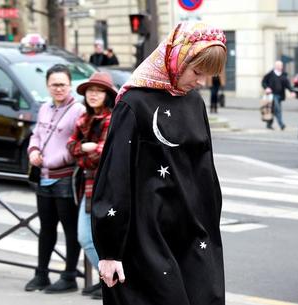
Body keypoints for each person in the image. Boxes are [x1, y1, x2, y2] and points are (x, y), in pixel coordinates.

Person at [92, 22, 227, 305]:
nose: (200, 81)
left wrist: (210, 235)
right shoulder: (134, 103)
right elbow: (115, 177)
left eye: (208, 75)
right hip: (146, 241)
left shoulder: (194, 103)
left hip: (194, 238)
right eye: (197, 72)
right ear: (177, 57)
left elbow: (206, 173)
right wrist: (110, 250)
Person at [25, 64, 85, 293]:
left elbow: (76, 145)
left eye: (62, 84)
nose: (58, 89)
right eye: (54, 85)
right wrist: (33, 151)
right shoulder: (44, 108)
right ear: (47, 86)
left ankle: (69, 276)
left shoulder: (77, 111)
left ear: (70, 85)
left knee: (70, 230)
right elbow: (37, 135)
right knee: (46, 228)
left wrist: (52, 160)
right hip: (44, 178)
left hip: (65, 178)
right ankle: (41, 274)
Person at [67, 72, 118, 299]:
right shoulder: (84, 119)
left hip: (108, 188)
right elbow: (71, 147)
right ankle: (108, 280)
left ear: (107, 95)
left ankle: (112, 282)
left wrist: (87, 150)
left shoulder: (112, 119)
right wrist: (85, 149)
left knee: (101, 237)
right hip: (88, 186)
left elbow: (104, 154)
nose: (93, 94)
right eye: (90, 90)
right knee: (86, 238)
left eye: (99, 90)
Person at [261, 60, 295, 130]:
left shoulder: (283, 75)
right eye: (279, 66)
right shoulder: (270, 74)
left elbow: (287, 85)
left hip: (280, 95)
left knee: (273, 110)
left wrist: (292, 91)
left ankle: (269, 124)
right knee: (278, 109)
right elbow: (263, 82)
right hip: (272, 95)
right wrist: (266, 88)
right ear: (275, 66)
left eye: (281, 66)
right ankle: (281, 124)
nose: (281, 67)